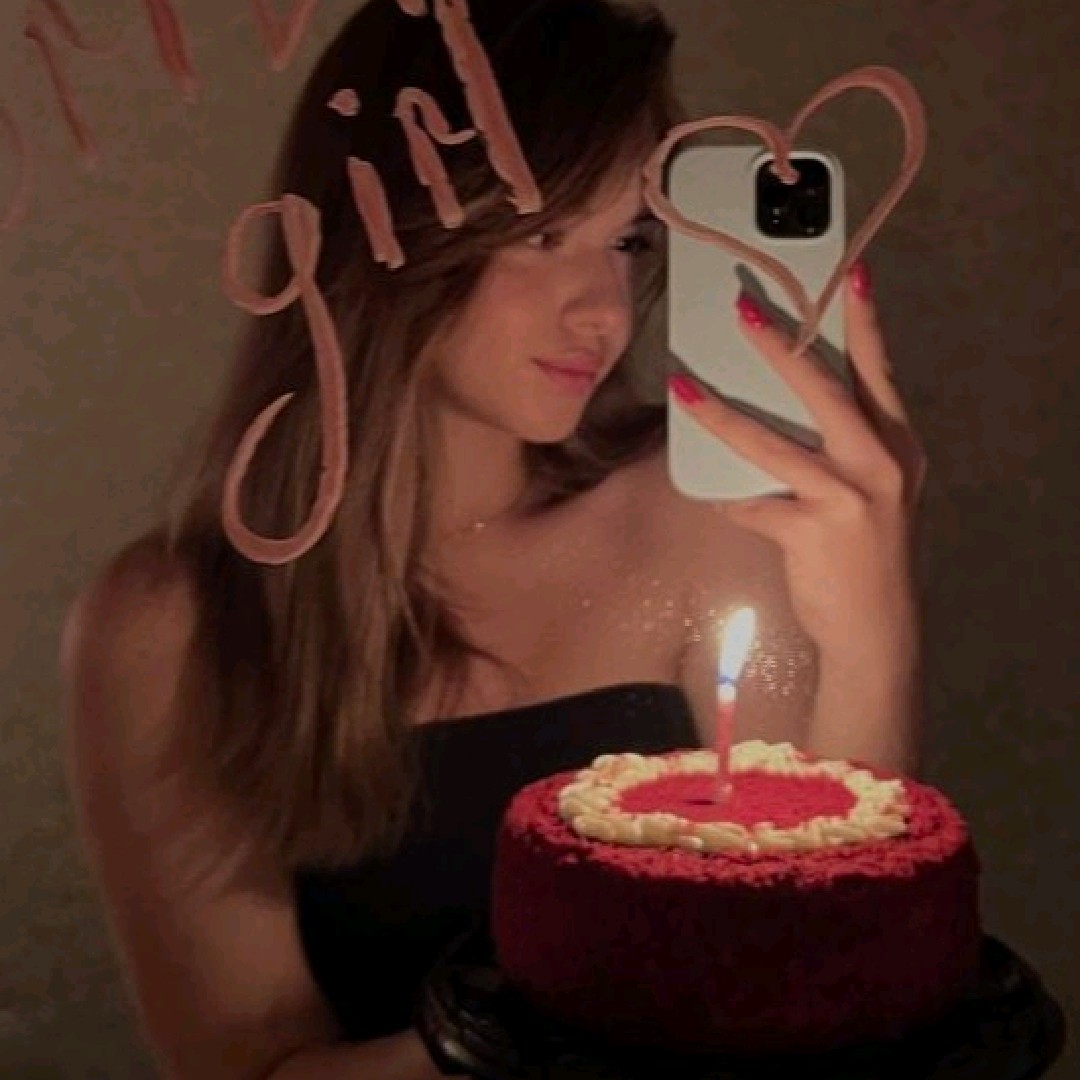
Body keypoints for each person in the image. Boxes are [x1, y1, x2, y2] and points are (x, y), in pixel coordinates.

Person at [60, 0, 929, 1076]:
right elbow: (251, 1066)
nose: (603, 311)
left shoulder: (708, 520)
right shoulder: (171, 627)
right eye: (542, 234)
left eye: (626, 240)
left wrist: (875, 621)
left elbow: (834, 969)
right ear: (388, 226)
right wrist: (569, 999)